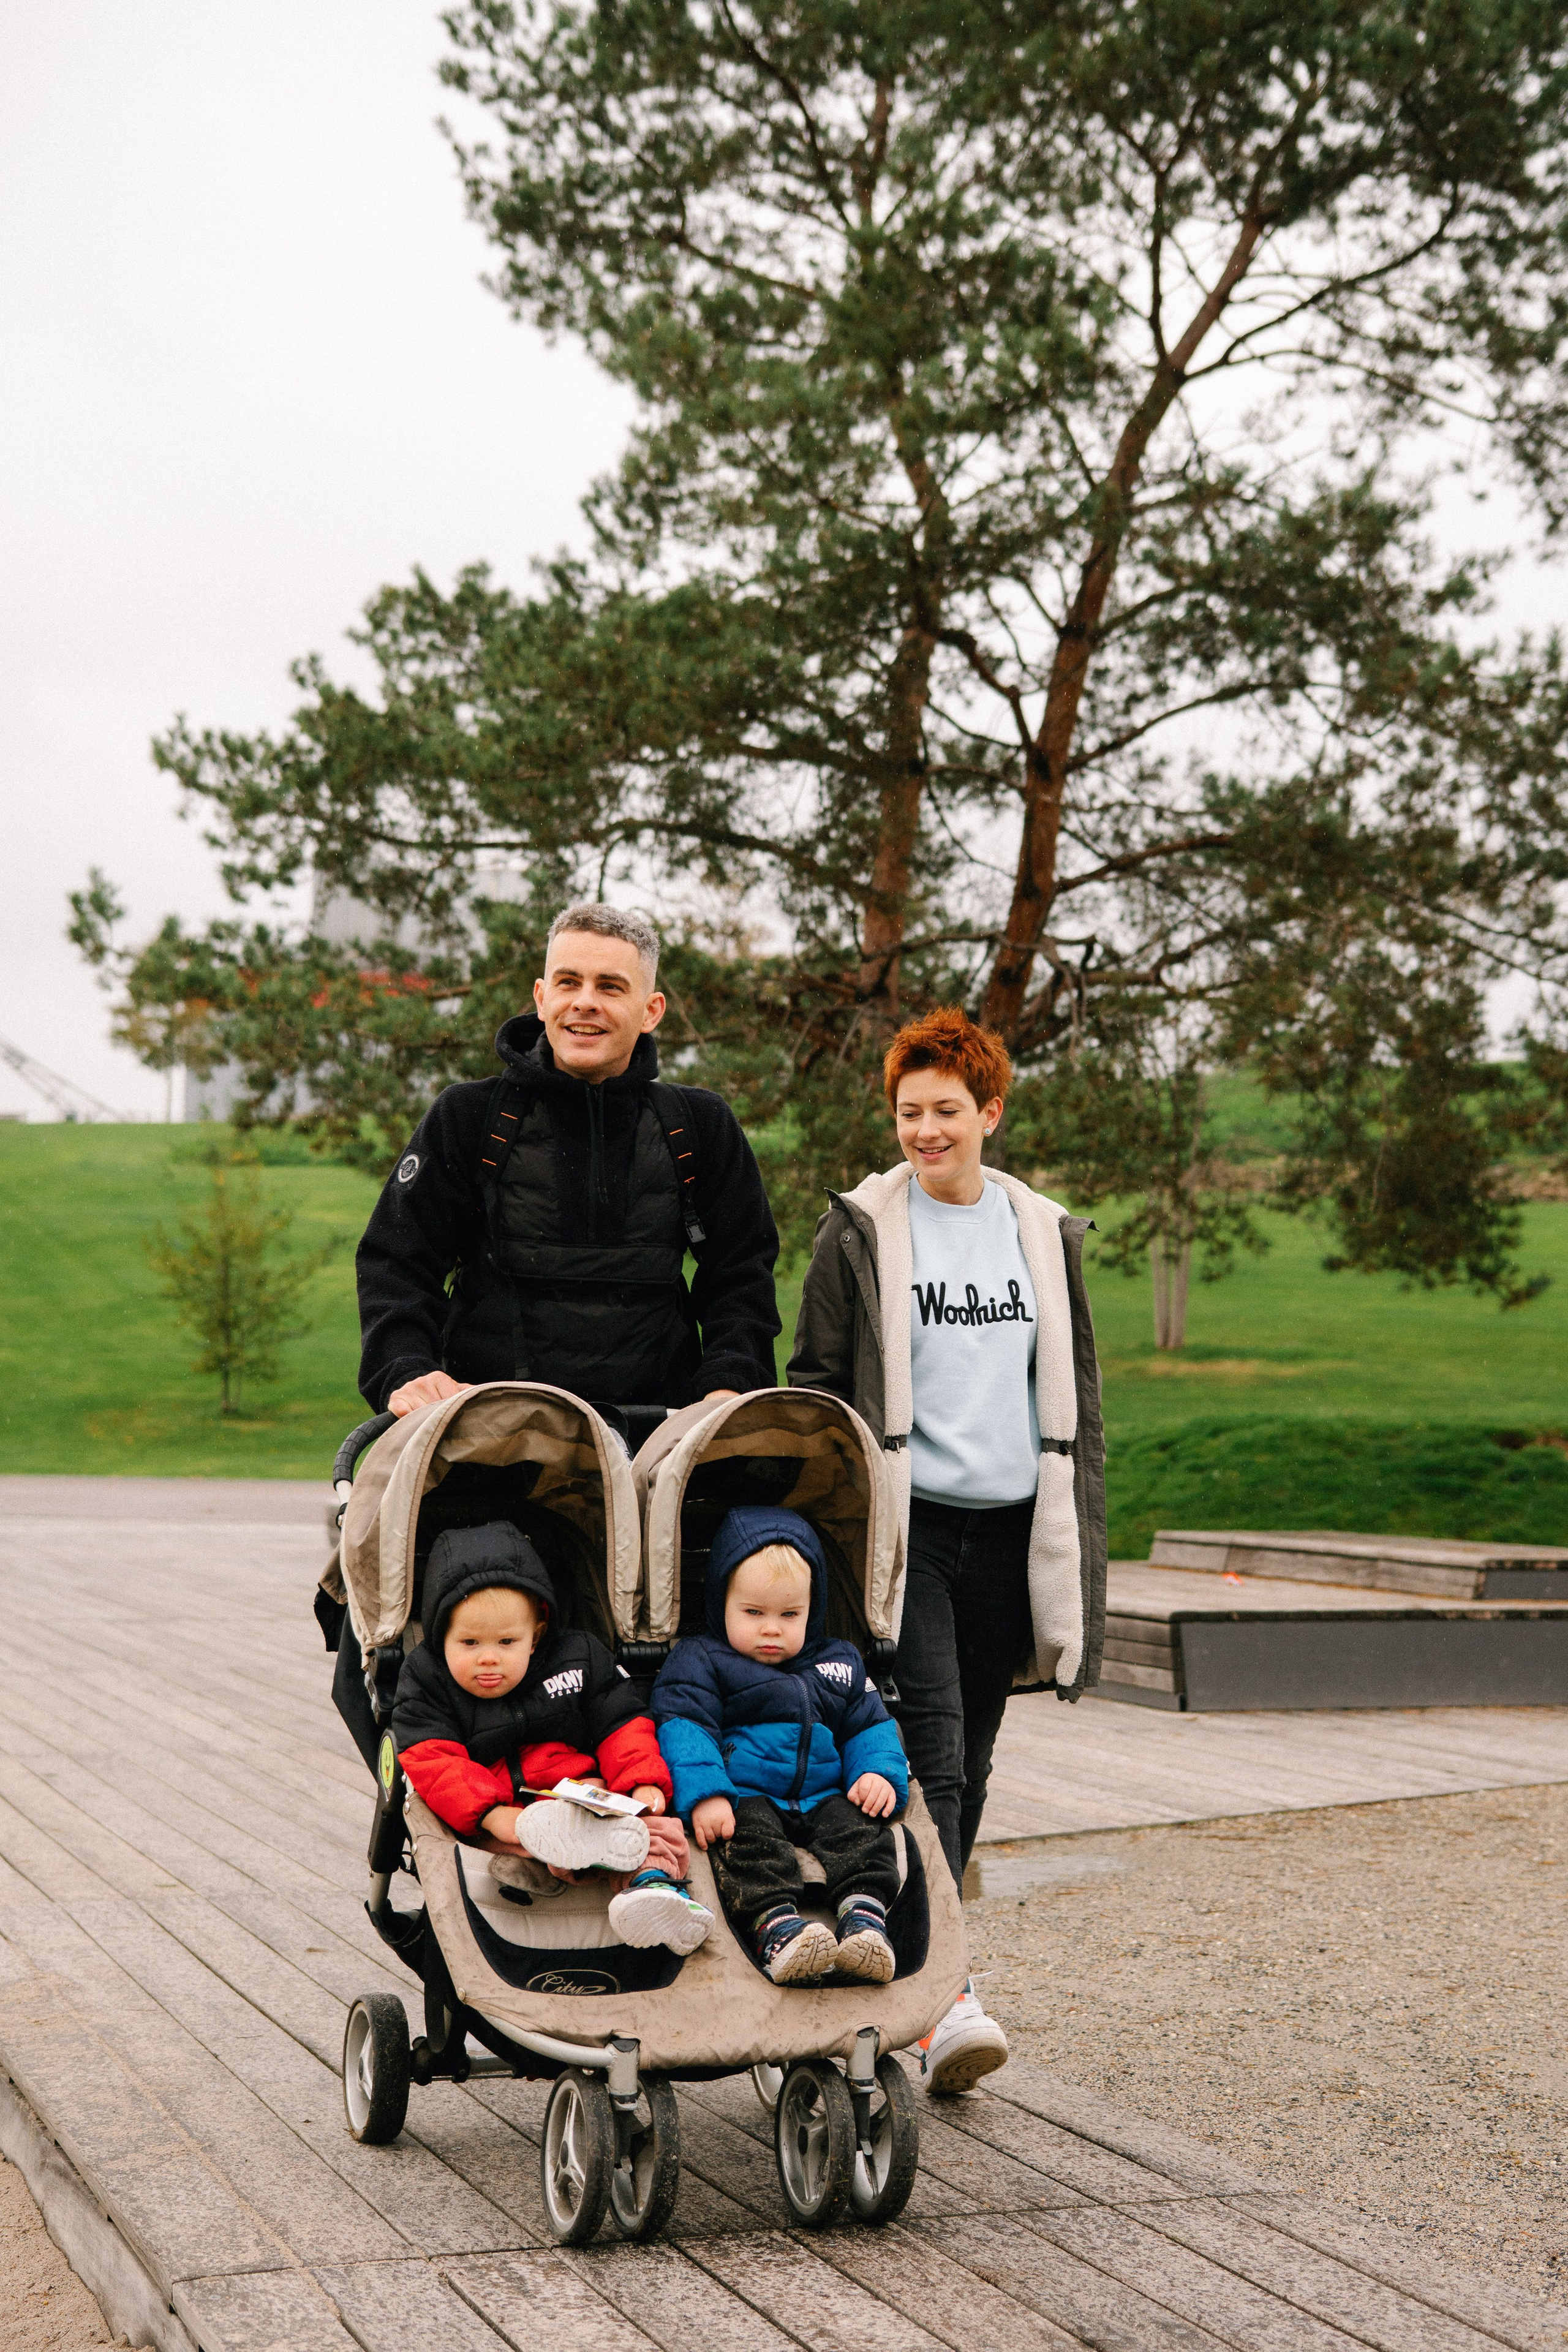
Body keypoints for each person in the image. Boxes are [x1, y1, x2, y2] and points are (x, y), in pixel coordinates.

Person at [788, 1008, 1107, 2092]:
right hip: (907, 1529)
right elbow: (815, 1387)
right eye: (909, 1113)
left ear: (990, 1113)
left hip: (1012, 1534)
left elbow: (1074, 1399)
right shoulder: (861, 1231)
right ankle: (943, 1989)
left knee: (971, 1754)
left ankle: (904, 1965)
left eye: (947, 1112)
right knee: (930, 1750)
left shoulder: (1039, 1234)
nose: (926, 1132)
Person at [355, 903, 780, 1430]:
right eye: (568, 982)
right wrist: (407, 1371)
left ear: (651, 1011)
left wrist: (727, 1387)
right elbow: (396, 1264)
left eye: (610, 987)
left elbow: (740, 1278)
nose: (585, 1003)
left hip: (656, 1439)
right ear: (541, 998)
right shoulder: (468, 1118)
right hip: (486, 1438)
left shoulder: (699, 1125)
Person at [392, 1520, 714, 1954]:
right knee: (513, 1841)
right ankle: (607, 1867)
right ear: (441, 1637)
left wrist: (641, 1779)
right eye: (469, 1643)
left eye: (507, 1641)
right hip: (500, 1810)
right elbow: (433, 1758)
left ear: (535, 1638)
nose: (489, 1658)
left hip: (578, 1791)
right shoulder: (427, 1678)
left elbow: (620, 1722)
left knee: (647, 1822)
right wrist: (490, 1814)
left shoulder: (578, 1658)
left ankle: (654, 1889)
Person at [651, 1505, 908, 1985]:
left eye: (790, 1614)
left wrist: (876, 1770)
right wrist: (706, 1791)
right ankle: (776, 1927)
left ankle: (866, 1918)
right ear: (720, 1604)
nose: (772, 1629)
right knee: (746, 1844)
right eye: (753, 1613)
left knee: (864, 1833)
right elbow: (685, 1726)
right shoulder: (702, 1659)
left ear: (813, 1610)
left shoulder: (840, 1662)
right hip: (745, 1794)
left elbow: (869, 1725)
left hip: (824, 1794)